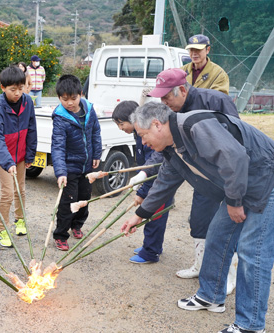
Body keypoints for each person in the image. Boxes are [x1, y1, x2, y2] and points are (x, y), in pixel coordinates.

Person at [121, 102, 274, 333]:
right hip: (243, 185)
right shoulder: (173, 148)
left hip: (266, 178)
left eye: (143, 135)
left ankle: (251, 325)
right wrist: (140, 215)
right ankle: (211, 296)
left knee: (253, 251)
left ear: (156, 125)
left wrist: (234, 202)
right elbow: (165, 182)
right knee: (216, 236)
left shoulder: (195, 126)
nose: (143, 142)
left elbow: (236, 158)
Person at [148, 68, 238, 294]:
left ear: (181, 89)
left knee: (226, 226)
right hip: (201, 177)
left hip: (227, 176)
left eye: (167, 96)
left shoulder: (216, 100)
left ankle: (230, 274)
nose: (164, 101)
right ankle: (200, 265)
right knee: (199, 219)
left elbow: (236, 140)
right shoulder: (171, 112)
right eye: (160, 97)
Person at [112, 101, 172, 263]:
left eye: (121, 124)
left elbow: (153, 164)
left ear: (134, 119)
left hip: (159, 184)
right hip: (151, 181)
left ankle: (150, 253)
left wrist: (142, 191)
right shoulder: (138, 135)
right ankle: (152, 247)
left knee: (155, 218)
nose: (120, 128)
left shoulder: (149, 136)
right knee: (149, 216)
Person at [51, 74, 101, 250]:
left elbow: (95, 132)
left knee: (85, 198)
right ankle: (60, 234)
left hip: (87, 166)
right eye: (64, 99)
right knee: (68, 202)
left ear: (81, 94)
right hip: (70, 167)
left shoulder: (89, 110)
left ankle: (77, 225)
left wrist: (97, 153)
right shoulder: (60, 118)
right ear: (59, 98)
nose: (69, 103)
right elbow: (57, 147)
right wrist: (61, 172)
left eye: (73, 98)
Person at [0, 66, 37, 247]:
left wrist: (30, 154)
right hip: (4, 158)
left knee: (21, 190)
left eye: (21, 88)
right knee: (8, 193)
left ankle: (20, 219)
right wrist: (7, 161)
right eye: (13, 90)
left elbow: (32, 129)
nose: (18, 93)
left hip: (21, 155)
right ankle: (2, 230)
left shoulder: (28, 102)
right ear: (2, 87)